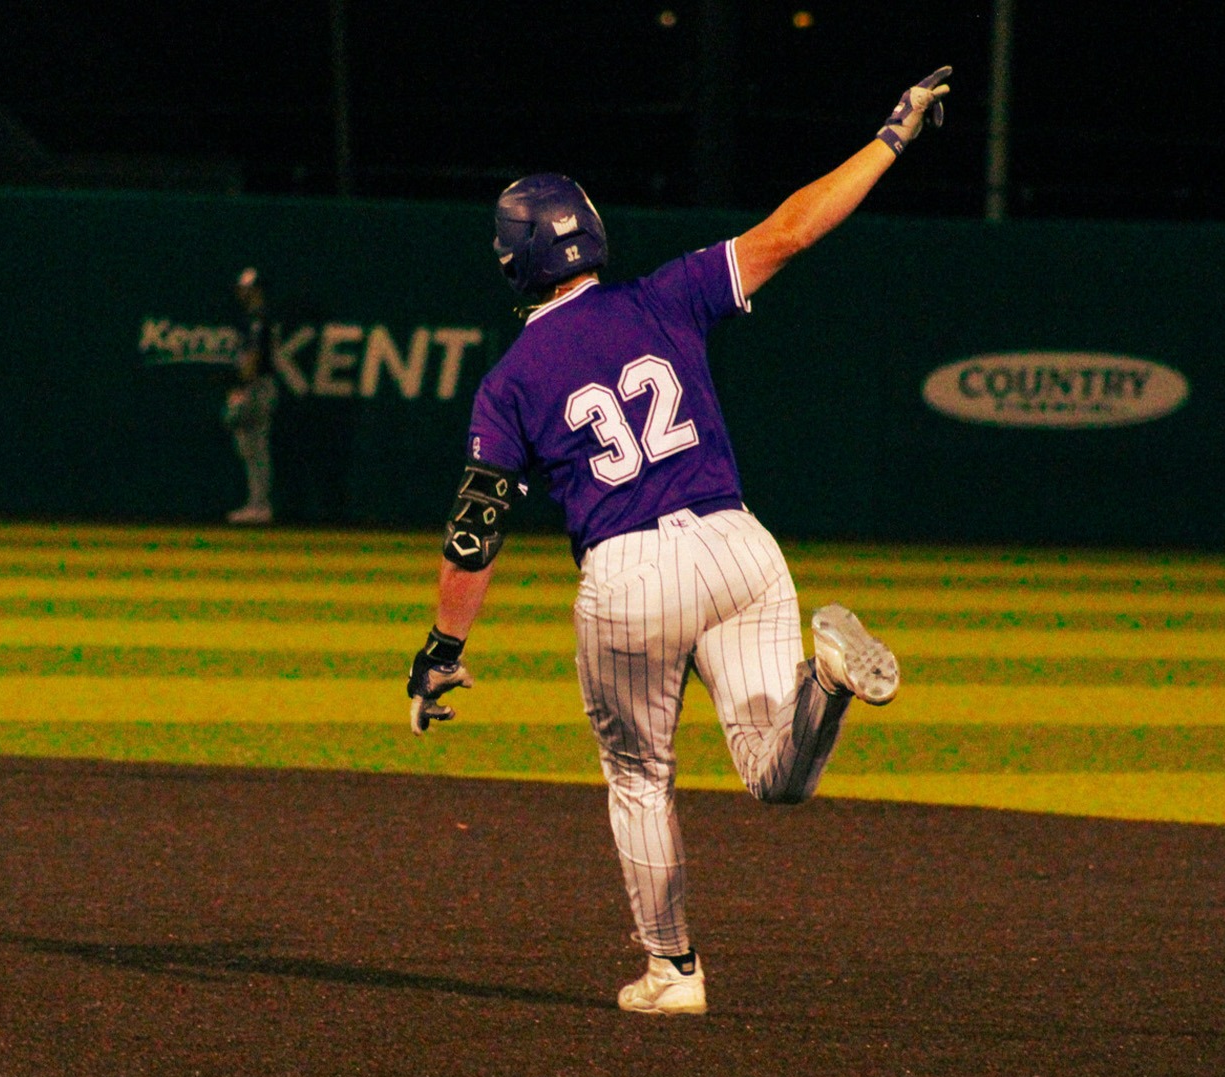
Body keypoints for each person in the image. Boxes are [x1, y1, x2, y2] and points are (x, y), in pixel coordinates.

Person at [404, 68, 952, 1014]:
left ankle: (674, 971)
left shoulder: (512, 379)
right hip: (741, 545)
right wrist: (890, 141)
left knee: (639, 779)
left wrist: (442, 651)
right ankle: (828, 681)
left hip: (629, 571)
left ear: (511, 263)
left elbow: (475, 530)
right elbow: (793, 228)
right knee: (775, 776)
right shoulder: (666, 295)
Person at [223, 266, 278, 524]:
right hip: (257, 386)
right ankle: (257, 504)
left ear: (256, 290)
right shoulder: (254, 317)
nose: (241, 292)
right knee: (251, 449)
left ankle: (259, 506)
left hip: (256, 386)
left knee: (254, 448)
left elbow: (253, 358)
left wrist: (241, 388)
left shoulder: (258, 318)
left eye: (246, 288)